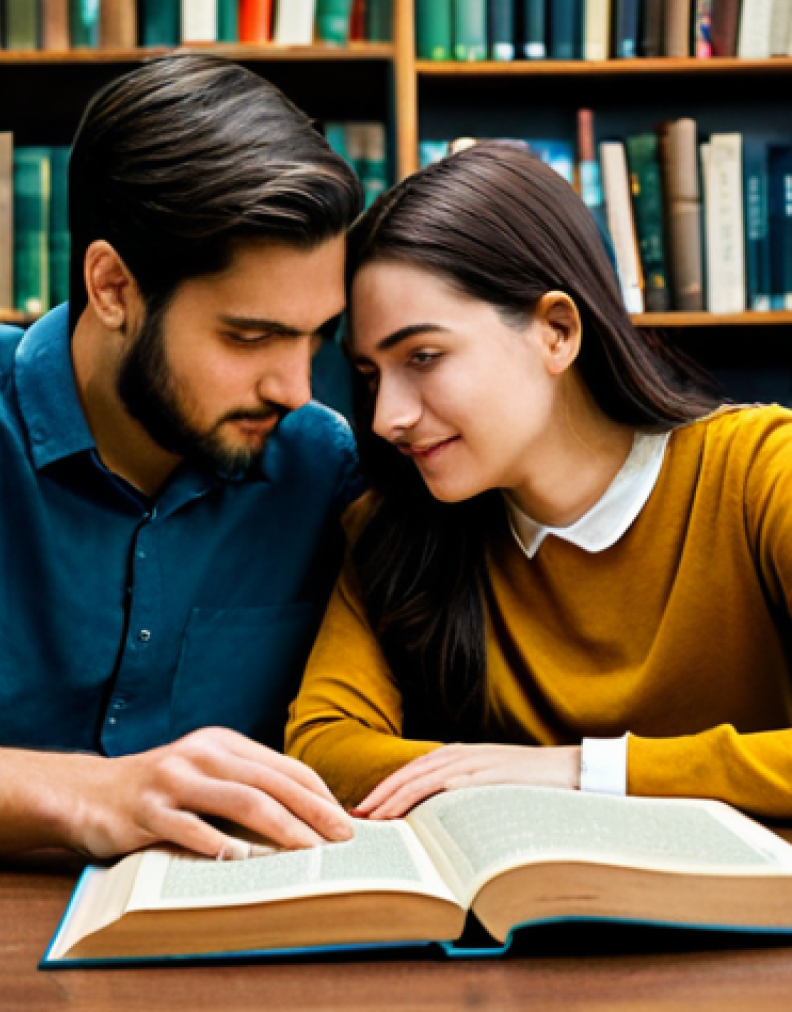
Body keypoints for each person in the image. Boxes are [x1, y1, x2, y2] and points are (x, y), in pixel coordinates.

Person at [0, 54, 362, 862]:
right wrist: (100, 796)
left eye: (316, 337)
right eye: (249, 337)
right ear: (113, 286)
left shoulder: (321, 464)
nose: (296, 387)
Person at [286, 141, 792, 822]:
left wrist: (582, 771)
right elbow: (326, 749)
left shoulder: (762, 473)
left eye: (424, 356)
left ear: (557, 331)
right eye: (372, 375)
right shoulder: (393, 529)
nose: (386, 418)